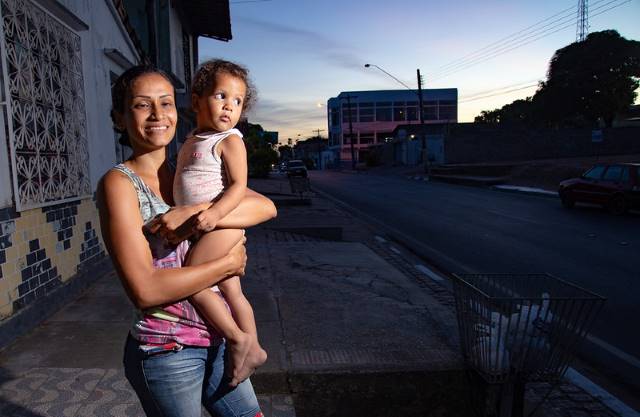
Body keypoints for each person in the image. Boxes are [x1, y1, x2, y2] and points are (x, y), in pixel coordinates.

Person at [97, 64, 276, 417]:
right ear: (119, 118)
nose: (157, 114)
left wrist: (193, 211)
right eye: (141, 105)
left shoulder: (187, 169)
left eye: (165, 103)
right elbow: (145, 290)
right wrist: (226, 264)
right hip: (168, 349)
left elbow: (264, 207)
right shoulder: (119, 184)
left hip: (218, 340)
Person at [166, 59, 266, 387]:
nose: (229, 106)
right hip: (206, 229)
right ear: (196, 101)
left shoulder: (229, 140)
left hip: (221, 226)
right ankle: (253, 347)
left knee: (194, 281)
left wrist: (215, 214)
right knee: (231, 289)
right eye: (221, 96)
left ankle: (237, 338)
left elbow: (238, 185)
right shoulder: (193, 138)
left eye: (237, 101)